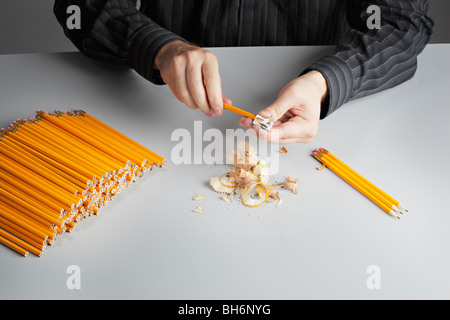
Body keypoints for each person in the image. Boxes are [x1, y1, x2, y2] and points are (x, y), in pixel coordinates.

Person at [54, 0, 434, 144]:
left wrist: (326, 82)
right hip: (159, 117)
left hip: (320, 126)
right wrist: (157, 46)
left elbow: (402, 23)